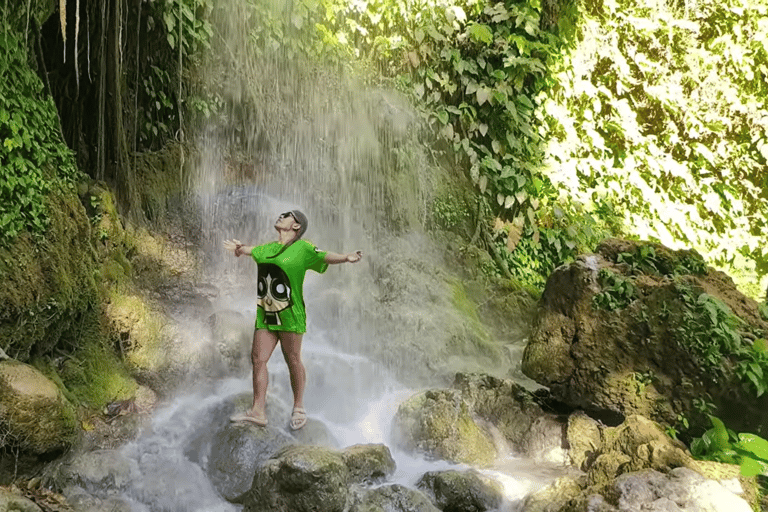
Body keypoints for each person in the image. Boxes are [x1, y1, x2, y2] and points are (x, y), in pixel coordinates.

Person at [223, 210, 362, 430]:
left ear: (296, 226)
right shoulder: (267, 248)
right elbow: (248, 251)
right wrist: (239, 249)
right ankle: (258, 410)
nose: (281, 216)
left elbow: (324, 256)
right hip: (266, 315)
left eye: (287, 215)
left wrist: (346, 257)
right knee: (258, 359)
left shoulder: (303, 248)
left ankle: (299, 407)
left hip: (290, 315)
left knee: (293, 359)